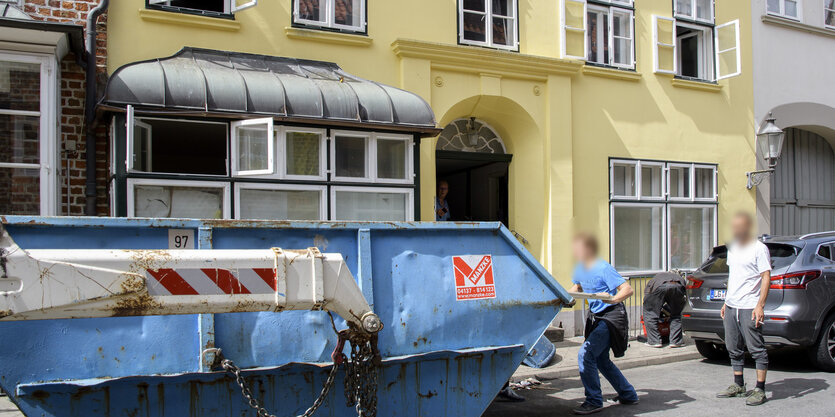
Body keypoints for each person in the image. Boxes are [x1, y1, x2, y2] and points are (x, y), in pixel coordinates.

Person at [569, 233, 639, 415]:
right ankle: (628, 394)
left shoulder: (603, 268)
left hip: (611, 316)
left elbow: (627, 289)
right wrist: (560, 296)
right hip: (596, 317)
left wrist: (613, 299)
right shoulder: (580, 267)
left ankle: (594, 400)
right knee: (601, 359)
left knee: (585, 355)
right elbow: (577, 287)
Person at [716, 212, 771, 406]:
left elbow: (766, 276)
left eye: (740, 226)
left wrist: (760, 305)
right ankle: (738, 384)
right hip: (732, 305)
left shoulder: (759, 248)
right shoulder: (734, 248)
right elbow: (735, 276)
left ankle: (760, 389)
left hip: (750, 306)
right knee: (733, 346)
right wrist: (726, 301)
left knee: (757, 349)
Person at [642, 271, 686, 348]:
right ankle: (676, 342)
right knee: (677, 314)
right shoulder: (679, 277)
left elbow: (648, 294)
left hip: (659, 286)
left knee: (650, 314)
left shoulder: (657, 277)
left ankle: (654, 341)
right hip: (678, 286)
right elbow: (684, 292)